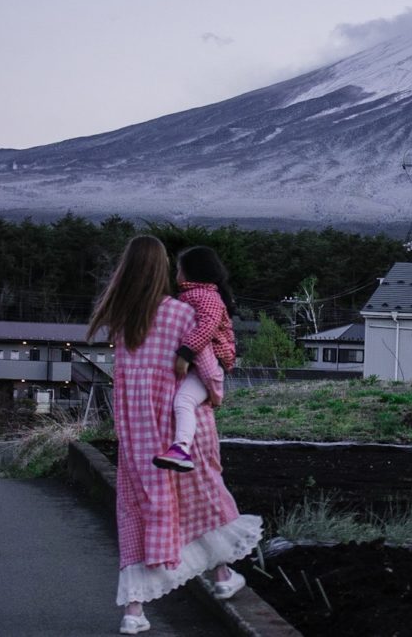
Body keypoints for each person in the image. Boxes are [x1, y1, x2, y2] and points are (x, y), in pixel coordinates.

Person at [88, 236, 261, 635]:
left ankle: (134, 610)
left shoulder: (122, 321)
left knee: (140, 510)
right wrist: (215, 393)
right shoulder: (181, 315)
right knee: (202, 499)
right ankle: (221, 576)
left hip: (139, 433)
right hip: (184, 430)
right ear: (162, 270)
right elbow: (209, 371)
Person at [152, 246, 236, 473]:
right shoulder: (197, 295)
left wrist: (185, 353)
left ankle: (181, 449)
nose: (175, 275)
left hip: (212, 363)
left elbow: (206, 327)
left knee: (183, 401)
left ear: (191, 272)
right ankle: (182, 450)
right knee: (182, 401)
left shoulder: (207, 297)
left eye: (179, 269)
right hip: (206, 364)